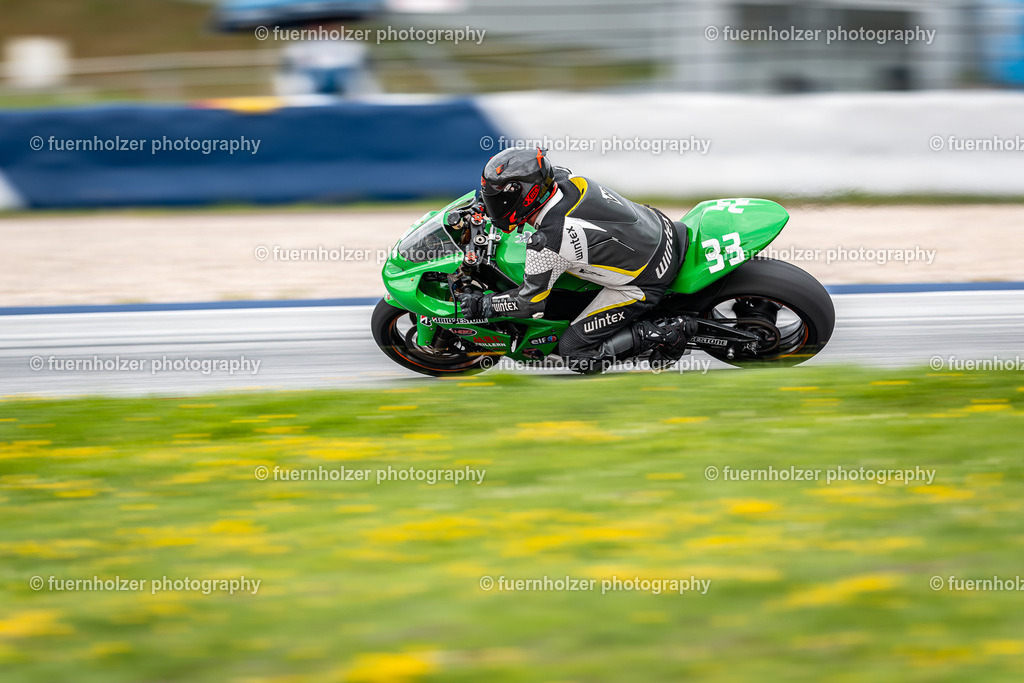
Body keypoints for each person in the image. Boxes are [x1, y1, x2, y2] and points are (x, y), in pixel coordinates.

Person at [457, 147, 696, 373]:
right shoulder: (561, 178)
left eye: (497, 200)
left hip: (646, 278)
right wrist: (482, 209)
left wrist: (483, 305)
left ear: (526, 197)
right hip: (656, 225)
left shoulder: (550, 240)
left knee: (574, 352)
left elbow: (529, 303)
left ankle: (664, 333)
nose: (493, 205)